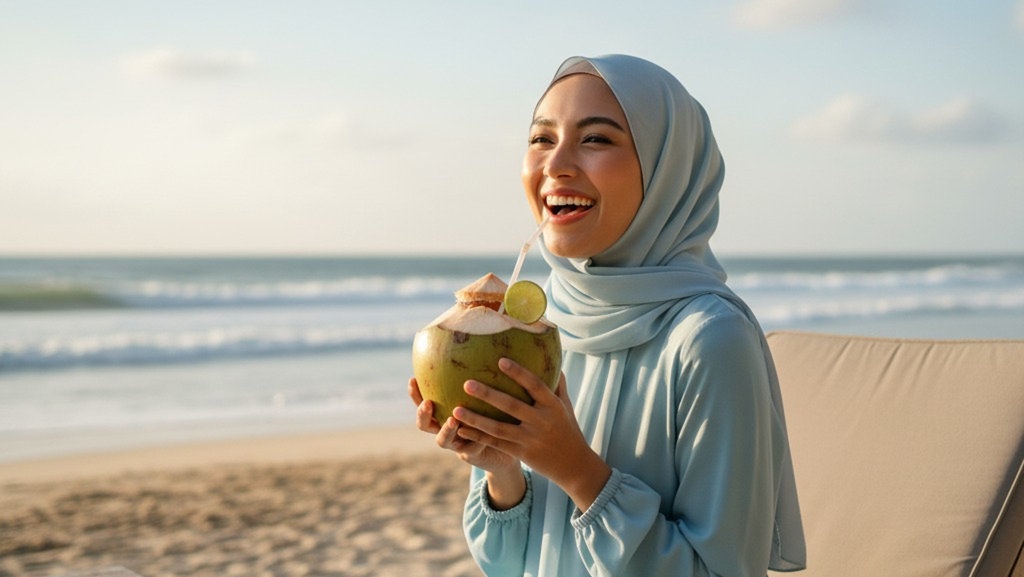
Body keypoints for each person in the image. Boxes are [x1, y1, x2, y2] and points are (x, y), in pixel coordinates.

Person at [409, 54, 806, 577]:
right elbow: (506, 564)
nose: (555, 164)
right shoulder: (534, 324)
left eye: (595, 139)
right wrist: (502, 471)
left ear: (666, 170)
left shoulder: (711, 339)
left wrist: (577, 470)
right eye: (541, 138)